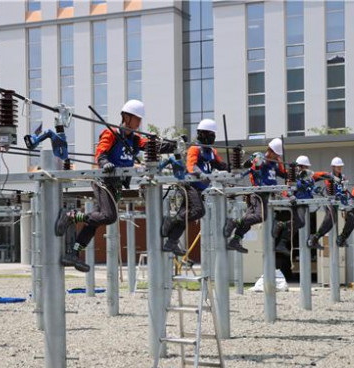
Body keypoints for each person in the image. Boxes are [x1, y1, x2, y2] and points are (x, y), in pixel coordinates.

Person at [55, 100, 175, 272]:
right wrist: (105, 163)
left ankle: (72, 254)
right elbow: (101, 152)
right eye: (136, 119)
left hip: (115, 185)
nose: (139, 123)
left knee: (94, 222)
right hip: (103, 182)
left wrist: (174, 145)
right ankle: (71, 215)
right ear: (126, 117)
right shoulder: (111, 133)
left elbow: (151, 146)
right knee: (109, 216)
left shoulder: (134, 140)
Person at [161, 119, 227, 256]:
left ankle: (170, 243)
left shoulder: (212, 152)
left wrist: (236, 166)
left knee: (187, 216)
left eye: (213, 135)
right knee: (198, 211)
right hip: (189, 186)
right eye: (211, 134)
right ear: (202, 134)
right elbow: (191, 166)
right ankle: (171, 221)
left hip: (199, 189)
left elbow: (220, 165)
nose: (213, 138)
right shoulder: (194, 148)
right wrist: (201, 173)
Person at [223, 138, 286, 253]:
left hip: (265, 195)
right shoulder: (260, 158)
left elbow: (284, 174)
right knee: (260, 217)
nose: (278, 157)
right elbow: (248, 164)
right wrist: (253, 160)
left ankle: (235, 241)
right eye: (276, 154)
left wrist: (291, 170)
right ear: (270, 151)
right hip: (258, 194)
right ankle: (234, 222)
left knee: (248, 220)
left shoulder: (275, 164)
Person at [306, 157, 354, 250]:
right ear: (333, 167)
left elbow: (345, 190)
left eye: (340, 167)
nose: (339, 168)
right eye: (337, 167)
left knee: (352, 217)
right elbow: (312, 176)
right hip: (329, 200)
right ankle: (315, 238)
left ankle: (342, 238)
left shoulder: (343, 178)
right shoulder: (327, 175)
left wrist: (349, 198)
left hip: (341, 201)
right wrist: (310, 185)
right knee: (331, 219)